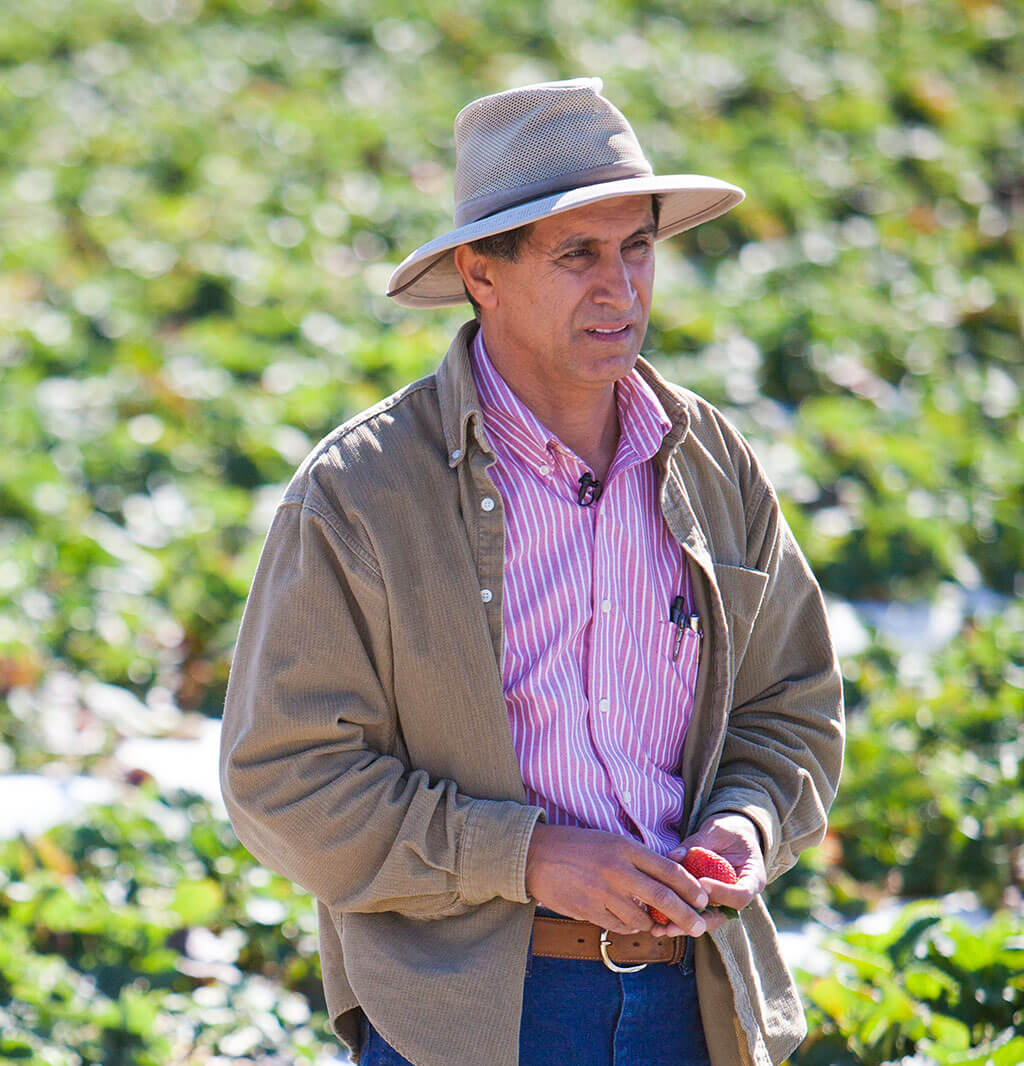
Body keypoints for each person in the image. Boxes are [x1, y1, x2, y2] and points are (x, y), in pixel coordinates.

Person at [220, 77, 845, 1066]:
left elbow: (793, 704)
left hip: (698, 1004)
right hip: (471, 1021)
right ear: (480, 272)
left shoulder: (711, 460)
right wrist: (528, 857)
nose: (621, 286)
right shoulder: (359, 496)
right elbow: (282, 779)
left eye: (637, 246)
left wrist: (744, 822)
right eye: (577, 255)